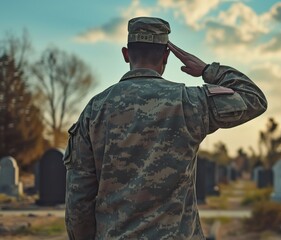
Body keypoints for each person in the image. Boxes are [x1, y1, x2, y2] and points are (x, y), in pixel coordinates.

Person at [63, 17, 267, 239]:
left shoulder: (95, 110)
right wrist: (208, 70)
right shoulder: (189, 101)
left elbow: (79, 198)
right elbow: (254, 98)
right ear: (166, 56)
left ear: (126, 54)